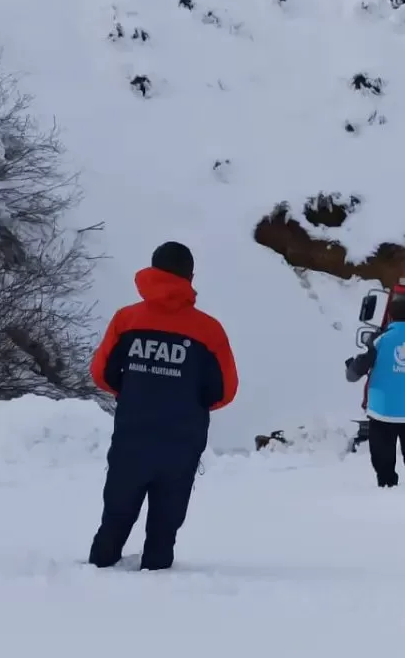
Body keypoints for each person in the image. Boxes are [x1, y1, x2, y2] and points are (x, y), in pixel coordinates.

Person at [87, 241, 238, 571]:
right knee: (164, 527)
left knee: (115, 516)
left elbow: (101, 373)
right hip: (181, 442)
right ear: (190, 276)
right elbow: (225, 390)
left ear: (152, 272)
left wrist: (135, 392)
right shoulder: (209, 330)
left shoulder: (126, 320)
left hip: (132, 435)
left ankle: (96, 573)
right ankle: (157, 586)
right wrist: (186, 401)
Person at [345, 297, 405, 487]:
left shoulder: (379, 341)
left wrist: (351, 367)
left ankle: (387, 487)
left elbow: (356, 372)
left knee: (382, 454)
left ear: (390, 316)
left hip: (383, 410)